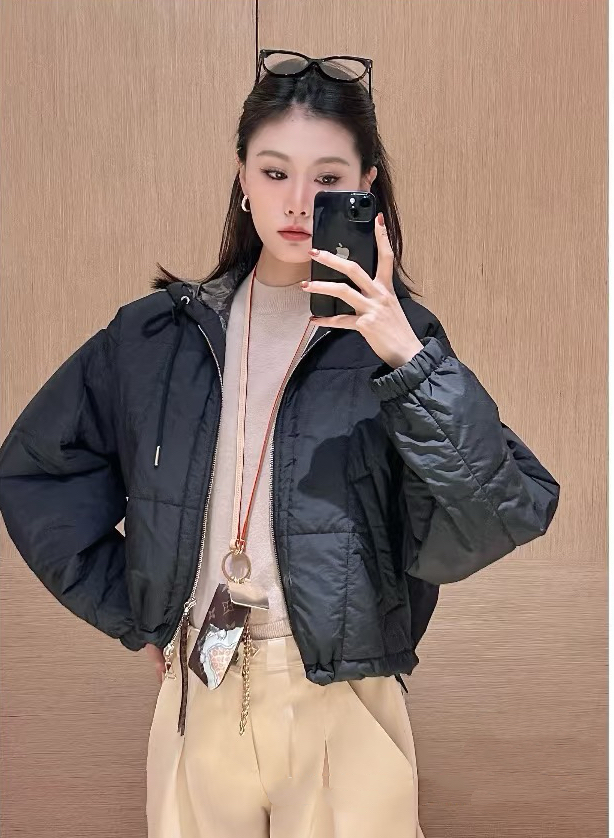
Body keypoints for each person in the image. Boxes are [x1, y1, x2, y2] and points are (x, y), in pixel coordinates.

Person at [0, 51, 560, 838]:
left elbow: (500, 511)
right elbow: (38, 470)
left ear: (366, 186)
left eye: (328, 178)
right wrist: (136, 610)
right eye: (274, 172)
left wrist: (407, 356)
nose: (298, 201)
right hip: (201, 679)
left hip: (343, 693)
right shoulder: (156, 336)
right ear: (242, 178)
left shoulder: (399, 344)